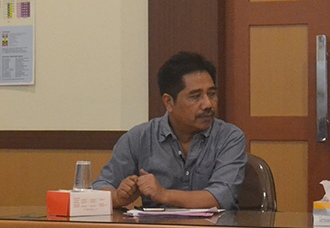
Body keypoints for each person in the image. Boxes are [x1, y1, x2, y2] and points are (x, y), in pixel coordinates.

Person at [92, 51, 247, 209]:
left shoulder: (230, 138)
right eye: (195, 96)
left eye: (212, 94)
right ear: (168, 102)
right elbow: (99, 189)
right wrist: (118, 197)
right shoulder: (139, 138)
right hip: (155, 226)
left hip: (215, 226)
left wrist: (164, 194)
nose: (208, 104)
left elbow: (222, 196)